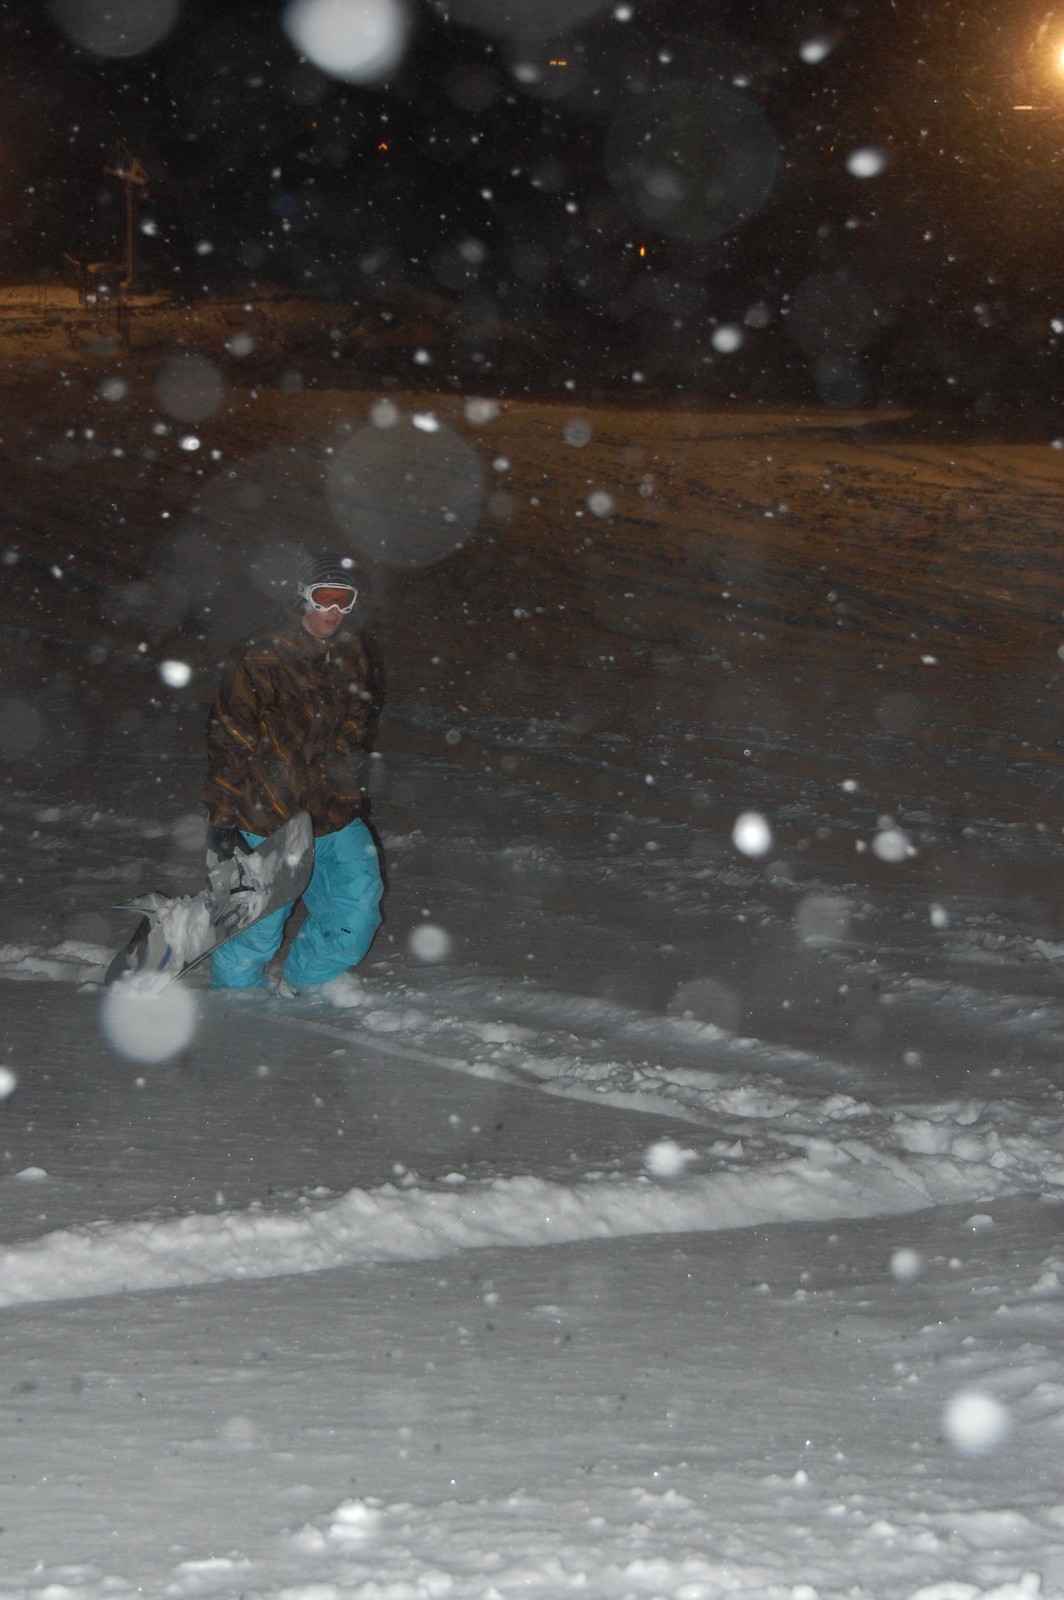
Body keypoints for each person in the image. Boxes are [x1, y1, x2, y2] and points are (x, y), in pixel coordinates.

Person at [202, 552, 384, 995]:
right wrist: (223, 818)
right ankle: (233, 1003)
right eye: (324, 598)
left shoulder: (352, 653)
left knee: (357, 910)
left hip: (332, 811)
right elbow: (230, 739)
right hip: (268, 813)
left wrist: (348, 787)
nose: (334, 611)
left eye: (344, 600)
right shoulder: (260, 656)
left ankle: (306, 986)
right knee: (258, 929)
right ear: (303, 597)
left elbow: (354, 730)